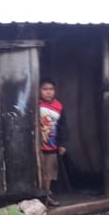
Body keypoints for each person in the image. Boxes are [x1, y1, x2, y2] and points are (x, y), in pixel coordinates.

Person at [38, 78, 67, 206]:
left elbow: (63, 126)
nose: (48, 92)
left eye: (51, 89)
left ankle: (46, 197)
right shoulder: (36, 104)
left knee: (49, 173)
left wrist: (62, 144)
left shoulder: (59, 106)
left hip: (51, 145)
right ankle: (37, 196)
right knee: (38, 171)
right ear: (39, 90)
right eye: (45, 89)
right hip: (37, 145)